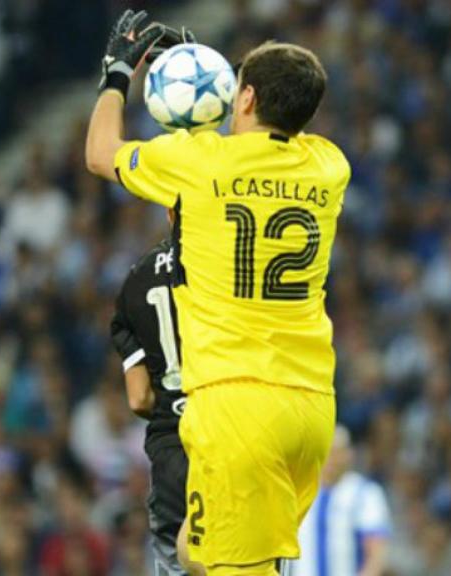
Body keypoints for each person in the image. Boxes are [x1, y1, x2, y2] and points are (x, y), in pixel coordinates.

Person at [86, 10, 349, 575]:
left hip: (237, 406)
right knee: (191, 551)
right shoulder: (329, 165)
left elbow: (99, 150)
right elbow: (278, 109)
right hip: (310, 406)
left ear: (246, 96)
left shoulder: (198, 165)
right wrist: (222, 76)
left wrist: (116, 74)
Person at [110, 233, 189, 575]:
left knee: (176, 562)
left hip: (171, 450)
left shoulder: (135, 279)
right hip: (228, 433)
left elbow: (138, 398)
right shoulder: (222, 260)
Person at [294, 426, 391, 576]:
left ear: (349, 454)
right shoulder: (299, 491)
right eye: (327, 451)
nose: (332, 459)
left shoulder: (365, 493)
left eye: (337, 452)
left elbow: (376, 554)